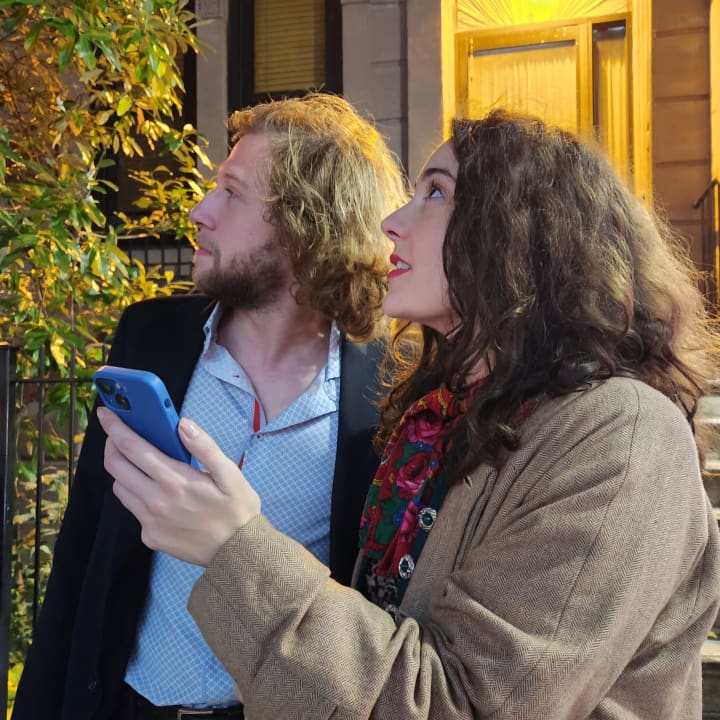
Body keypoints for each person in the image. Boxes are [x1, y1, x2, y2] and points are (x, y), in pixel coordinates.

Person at [99, 110, 720, 719]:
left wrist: (234, 549)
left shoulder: (623, 437)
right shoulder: (438, 417)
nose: (391, 222)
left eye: (436, 193)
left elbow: (464, 704)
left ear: (523, 231)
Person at [11, 93, 407, 720]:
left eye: (231, 193)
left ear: (307, 227)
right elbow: (84, 547)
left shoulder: (386, 389)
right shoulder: (151, 339)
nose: (199, 211)